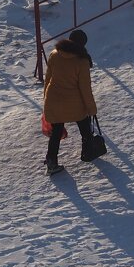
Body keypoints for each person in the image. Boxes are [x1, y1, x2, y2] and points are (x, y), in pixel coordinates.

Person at [41, 29, 105, 174]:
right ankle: (88, 152)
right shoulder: (82, 61)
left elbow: (48, 80)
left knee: (56, 132)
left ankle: (51, 162)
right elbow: (85, 88)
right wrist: (92, 109)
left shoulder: (54, 54)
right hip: (74, 103)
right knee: (85, 128)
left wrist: (46, 100)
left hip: (54, 100)